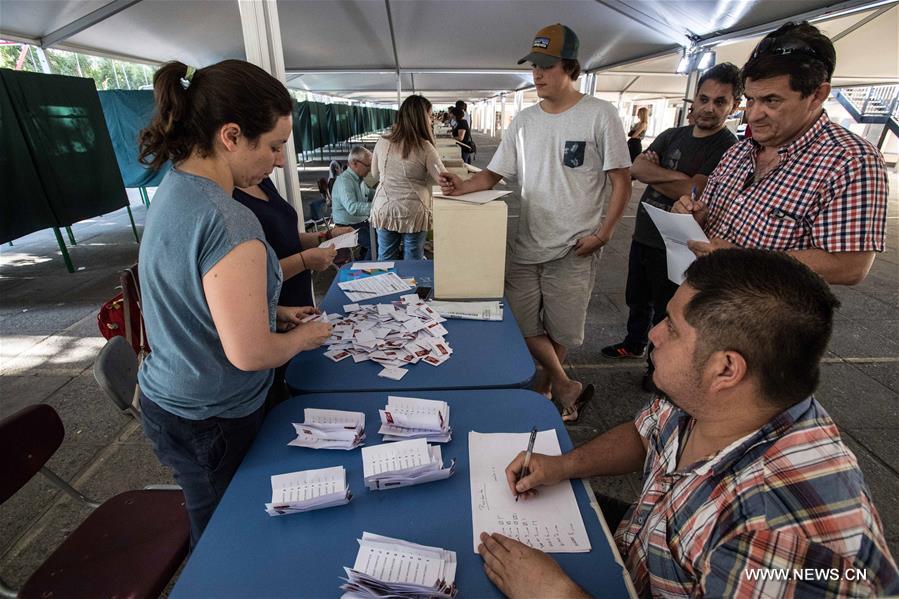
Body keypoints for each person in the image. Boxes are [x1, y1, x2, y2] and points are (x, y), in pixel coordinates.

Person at [478, 249, 899, 598]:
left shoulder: (779, 539)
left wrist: (556, 594)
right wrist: (560, 466)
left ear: (725, 369)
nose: (655, 334)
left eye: (673, 328)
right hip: (641, 548)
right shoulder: (716, 400)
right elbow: (646, 435)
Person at [136, 59, 332, 546]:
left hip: (174, 402)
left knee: (214, 516)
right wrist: (305, 335)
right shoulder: (231, 220)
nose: (280, 161)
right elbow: (249, 354)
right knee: (228, 535)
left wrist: (274, 311)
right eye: (273, 146)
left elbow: (195, 297)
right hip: (213, 417)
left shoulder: (176, 189)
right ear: (231, 136)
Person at [438, 23, 631, 422]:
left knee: (561, 333)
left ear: (571, 67)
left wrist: (603, 234)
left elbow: (621, 181)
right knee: (520, 324)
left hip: (575, 246)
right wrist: (462, 186)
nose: (537, 74)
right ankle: (563, 384)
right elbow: (492, 175)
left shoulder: (600, 114)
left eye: (546, 65)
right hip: (527, 244)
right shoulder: (524, 121)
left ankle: (544, 391)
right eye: (534, 66)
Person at [674, 22, 888, 286]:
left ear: (817, 95)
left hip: (761, 320)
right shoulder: (737, 152)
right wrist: (696, 218)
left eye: (771, 101)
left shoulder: (851, 160)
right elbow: (711, 219)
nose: (753, 115)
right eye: (751, 100)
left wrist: (744, 259)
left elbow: (849, 266)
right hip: (702, 295)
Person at [601, 63, 741, 392]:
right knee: (637, 297)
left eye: (720, 102)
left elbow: (694, 192)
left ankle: (657, 366)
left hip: (681, 244)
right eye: (704, 99)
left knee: (669, 309)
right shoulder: (672, 135)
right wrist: (678, 182)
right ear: (693, 100)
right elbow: (637, 168)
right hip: (645, 234)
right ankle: (633, 343)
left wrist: (661, 175)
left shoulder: (727, 147)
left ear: (734, 105)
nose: (709, 107)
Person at [233, 178, 350, 406]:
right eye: (274, 148)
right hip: (268, 307)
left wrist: (324, 237)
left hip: (290, 305)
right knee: (284, 391)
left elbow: (286, 237)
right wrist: (305, 260)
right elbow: (254, 276)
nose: (279, 160)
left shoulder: (262, 181)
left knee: (308, 376)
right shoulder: (229, 201)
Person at [370, 94, 446, 260]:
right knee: (413, 259)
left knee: (386, 259)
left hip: (384, 209)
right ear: (421, 117)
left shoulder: (382, 142)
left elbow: (375, 174)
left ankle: (387, 286)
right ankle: (413, 286)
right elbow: (443, 178)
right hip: (415, 211)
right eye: (430, 115)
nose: (432, 120)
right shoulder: (425, 146)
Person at [331, 145, 375, 259]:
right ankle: (366, 272)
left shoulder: (359, 180)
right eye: (368, 166)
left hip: (359, 223)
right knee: (376, 244)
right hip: (347, 226)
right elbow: (352, 207)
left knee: (384, 237)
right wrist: (378, 206)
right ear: (355, 163)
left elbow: (369, 194)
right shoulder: (345, 181)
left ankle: (364, 260)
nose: (370, 169)